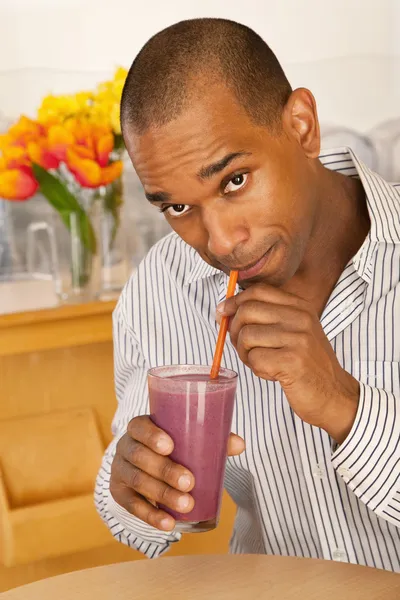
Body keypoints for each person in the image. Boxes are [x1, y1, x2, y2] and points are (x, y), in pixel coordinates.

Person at [95, 18, 400, 570]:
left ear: (303, 126)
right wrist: (129, 485)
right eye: (178, 207)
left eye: (234, 180)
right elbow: (135, 506)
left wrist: (343, 405)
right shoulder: (164, 285)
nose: (219, 242)